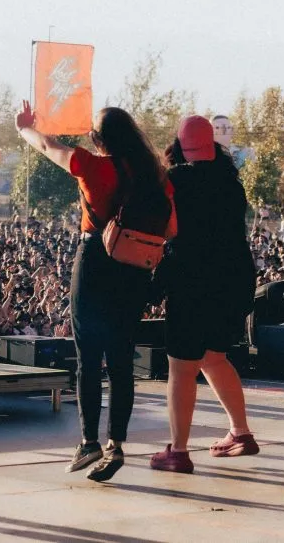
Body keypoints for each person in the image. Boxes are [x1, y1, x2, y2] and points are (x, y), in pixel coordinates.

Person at [15, 101, 174, 482]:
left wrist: (25, 127)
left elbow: (48, 148)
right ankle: (115, 444)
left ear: (99, 139)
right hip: (135, 270)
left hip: (95, 262)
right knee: (121, 362)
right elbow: (172, 230)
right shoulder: (157, 177)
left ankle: (88, 442)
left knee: (88, 356)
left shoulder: (93, 166)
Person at [150, 116, 259, 473]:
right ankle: (240, 434)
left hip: (192, 280)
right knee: (214, 357)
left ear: (179, 146)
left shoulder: (177, 180)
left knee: (181, 367)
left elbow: (168, 229)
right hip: (234, 281)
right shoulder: (231, 183)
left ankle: (178, 452)